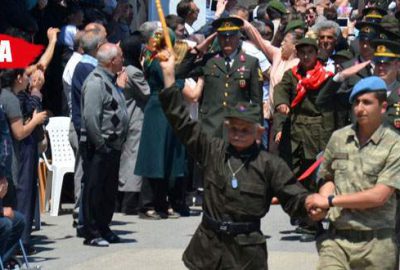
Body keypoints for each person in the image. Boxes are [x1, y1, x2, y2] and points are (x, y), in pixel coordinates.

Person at [157, 48, 316, 270]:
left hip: (246, 254)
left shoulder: (269, 165)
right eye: (234, 129)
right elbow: (181, 122)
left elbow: (294, 196)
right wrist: (169, 77)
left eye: (245, 130)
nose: (238, 134)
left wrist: (310, 205)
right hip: (207, 249)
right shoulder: (212, 149)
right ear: (226, 127)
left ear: (259, 132)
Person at [307, 76, 400, 270]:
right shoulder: (339, 138)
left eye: (366, 102)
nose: (359, 108)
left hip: (377, 243)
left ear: (383, 107)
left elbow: (379, 196)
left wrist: (330, 201)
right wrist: (321, 204)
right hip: (337, 239)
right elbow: (328, 177)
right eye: (356, 102)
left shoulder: (394, 145)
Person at [177, 17, 263, 139]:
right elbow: (180, 72)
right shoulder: (209, 60)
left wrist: (257, 132)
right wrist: (199, 48)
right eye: (223, 37)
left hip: (238, 126)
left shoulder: (251, 62)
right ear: (217, 38)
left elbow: (256, 101)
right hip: (210, 126)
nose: (227, 40)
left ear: (238, 37)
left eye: (231, 36)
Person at [80, 43, 128, 246]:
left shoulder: (111, 80)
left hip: (113, 146)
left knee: (108, 190)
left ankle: (103, 227)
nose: (123, 60)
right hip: (100, 145)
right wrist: (100, 144)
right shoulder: (95, 82)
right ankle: (91, 231)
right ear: (112, 61)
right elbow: (91, 117)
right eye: (121, 57)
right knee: (95, 188)